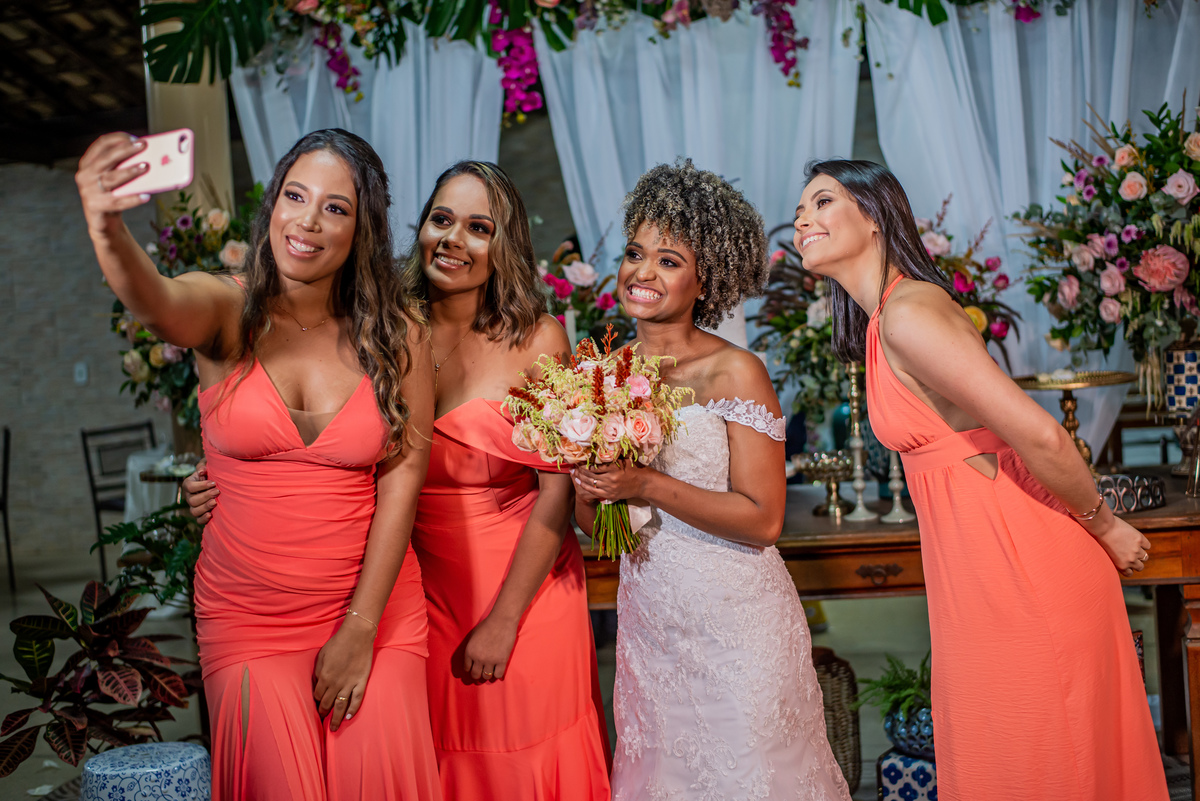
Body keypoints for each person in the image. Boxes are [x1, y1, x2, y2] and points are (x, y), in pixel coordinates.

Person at [189, 161, 611, 799]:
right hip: (406, 592)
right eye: (442, 220)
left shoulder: (537, 340)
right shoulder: (380, 325)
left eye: (479, 228)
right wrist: (216, 480)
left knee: (516, 765)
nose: (454, 240)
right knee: (427, 768)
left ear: (507, 245)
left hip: (519, 590)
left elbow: (556, 493)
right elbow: (314, 446)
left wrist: (505, 620)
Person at [78, 128, 441, 800]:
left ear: (362, 228)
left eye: (335, 207)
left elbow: (403, 481)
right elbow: (157, 301)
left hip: (376, 610)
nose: (307, 220)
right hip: (250, 619)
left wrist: (361, 628)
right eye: (295, 196)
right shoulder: (227, 309)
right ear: (272, 203)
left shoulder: (400, 334)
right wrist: (106, 225)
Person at [793, 159, 1169, 801]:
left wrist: (1106, 526)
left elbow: (1042, 434)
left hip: (1022, 567)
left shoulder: (908, 314)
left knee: (1045, 768)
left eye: (822, 201)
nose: (804, 219)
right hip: (982, 571)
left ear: (875, 216)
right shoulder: (886, 320)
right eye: (800, 209)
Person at [573, 160, 852, 801]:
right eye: (635, 254)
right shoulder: (602, 375)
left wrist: (644, 484)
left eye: (669, 261)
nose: (643, 273)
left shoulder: (736, 371)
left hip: (739, 627)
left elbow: (763, 520)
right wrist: (591, 491)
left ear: (707, 279)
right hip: (651, 628)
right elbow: (604, 533)